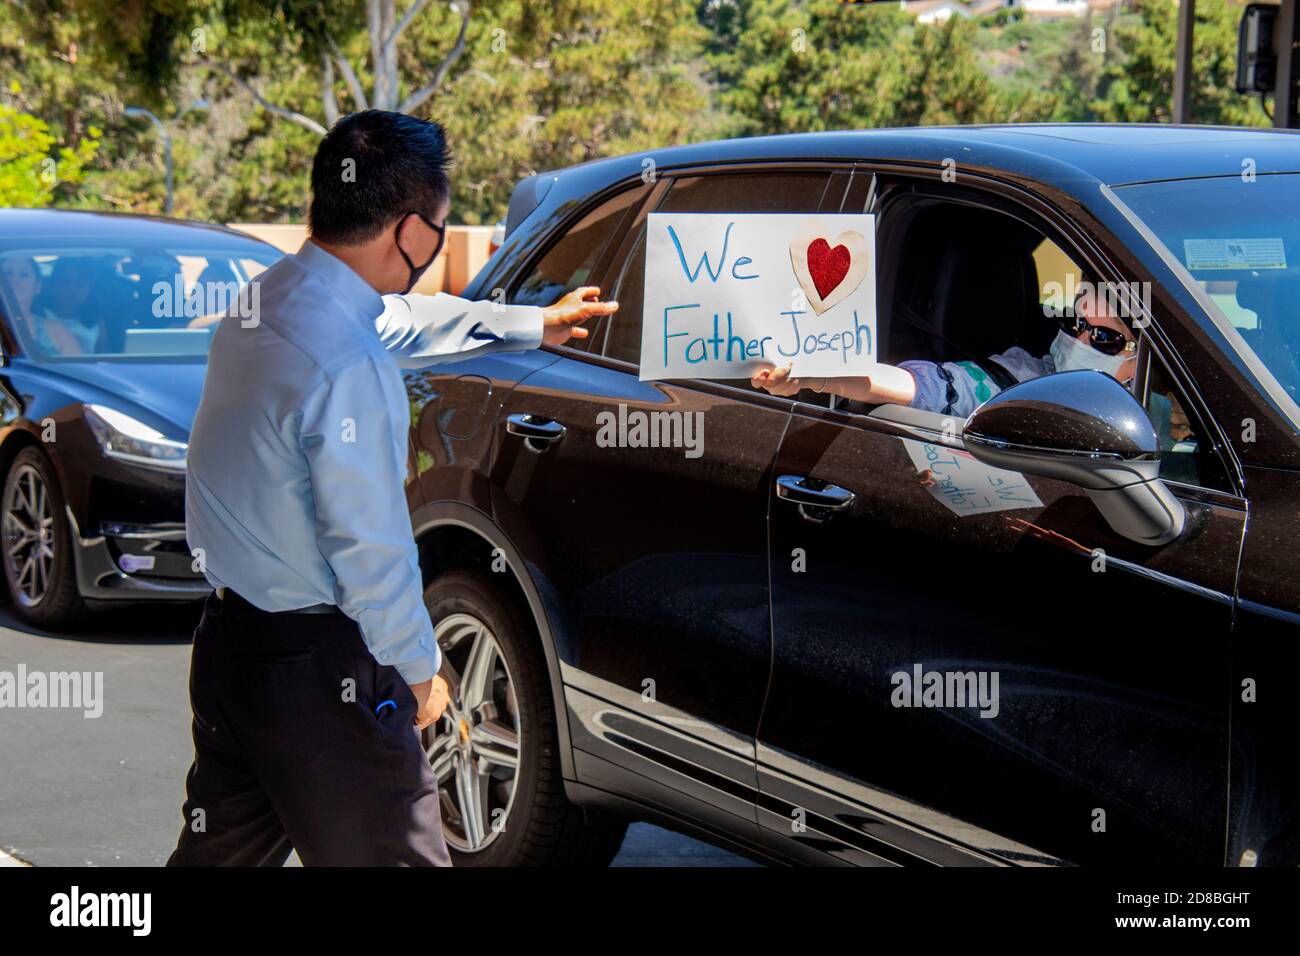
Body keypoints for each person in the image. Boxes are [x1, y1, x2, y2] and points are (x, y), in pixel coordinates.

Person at [167, 110, 616, 867]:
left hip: (230, 646)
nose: (437, 242)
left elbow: (403, 319)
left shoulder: (266, 303)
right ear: (410, 233)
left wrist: (530, 325)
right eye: (438, 226)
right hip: (318, 674)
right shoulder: (347, 363)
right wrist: (418, 670)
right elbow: (367, 545)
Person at [753, 285, 1138, 417]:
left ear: (1141, 357)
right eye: (1075, 324)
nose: (1080, 341)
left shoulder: (1183, 410)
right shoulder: (1021, 380)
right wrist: (816, 377)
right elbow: (923, 387)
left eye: (1105, 338)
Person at [0, 256, 99, 355]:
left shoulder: (56, 331)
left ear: (37, 287)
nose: (15, 281)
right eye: (8, 274)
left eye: (24, 275)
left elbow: (78, 367)